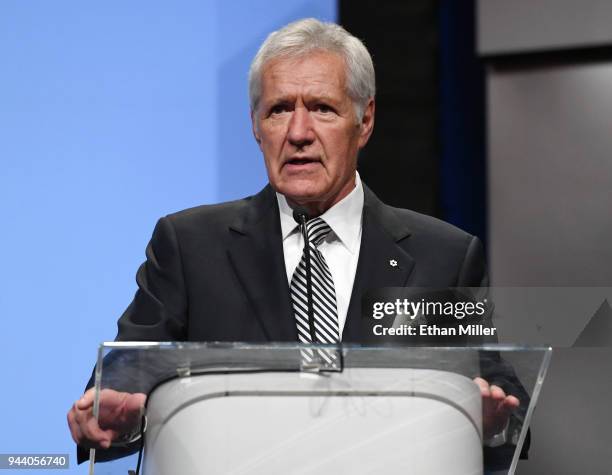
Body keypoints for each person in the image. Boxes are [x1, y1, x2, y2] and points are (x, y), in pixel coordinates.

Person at [68, 18, 521, 461]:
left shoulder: (441, 256)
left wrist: (489, 419)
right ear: (255, 125)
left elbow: (504, 404)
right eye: (279, 109)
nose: (298, 133)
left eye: (322, 108)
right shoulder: (189, 246)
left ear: (364, 122)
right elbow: (119, 390)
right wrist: (111, 417)